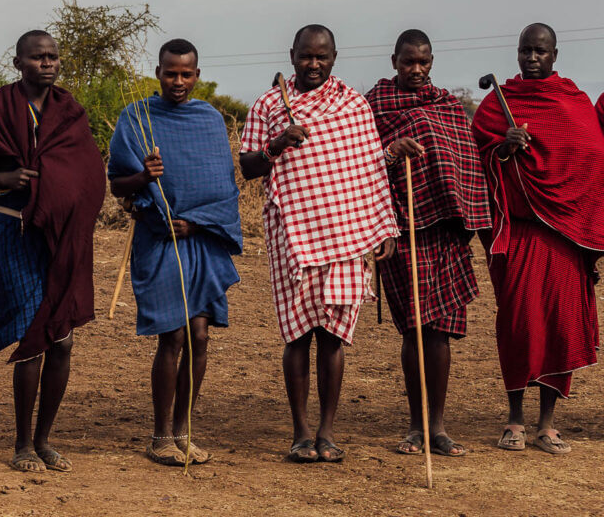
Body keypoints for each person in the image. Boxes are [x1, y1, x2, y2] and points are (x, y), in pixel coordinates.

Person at [239, 25, 398, 463]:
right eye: (306, 56)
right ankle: (300, 431)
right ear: (292, 56)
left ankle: (327, 432)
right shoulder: (270, 104)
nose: (314, 64)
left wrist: (381, 227)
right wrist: (277, 144)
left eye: (322, 57)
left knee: (332, 337)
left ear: (334, 56)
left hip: (346, 235)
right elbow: (249, 167)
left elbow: (370, 170)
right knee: (297, 335)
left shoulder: (353, 105)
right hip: (292, 235)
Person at [0, 30, 105, 473]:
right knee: (33, 336)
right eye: (37, 57)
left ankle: (44, 440)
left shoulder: (71, 113)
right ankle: (22, 444)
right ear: (18, 63)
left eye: (53, 57)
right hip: (10, 233)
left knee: (62, 337)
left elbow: (88, 175)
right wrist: (3, 181)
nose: (47, 63)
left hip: (62, 240)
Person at [108, 38, 242, 467]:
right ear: (158, 73)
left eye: (186, 74)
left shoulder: (209, 120)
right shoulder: (137, 117)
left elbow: (222, 187)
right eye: (171, 73)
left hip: (202, 239)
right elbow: (116, 185)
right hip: (160, 238)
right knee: (174, 335)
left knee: (200, 335)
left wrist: (198, 222)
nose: (178, 81)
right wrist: (143, 177)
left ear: (198, 75)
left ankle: (185, 430)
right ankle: (160, 435)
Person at [472, 23, 604, 455]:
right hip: (519, 233)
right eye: (525, 51)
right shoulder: (499, 103)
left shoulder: (574, 101)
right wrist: (504, 147)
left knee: (559, 326)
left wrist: (586, 231)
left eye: (540, 51)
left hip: (565, 237)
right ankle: (514, 419)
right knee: (518, 325)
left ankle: (547, 424)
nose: (532, 58)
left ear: (554, 54)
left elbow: (591, 156)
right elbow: (475, 158)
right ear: (516, 53)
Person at [365, 29, 492, 457]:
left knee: (439, 333)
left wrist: (468, 214)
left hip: (447, 232)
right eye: (407, 62)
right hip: (403, 229)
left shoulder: (449, 106)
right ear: (394, 61)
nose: (415, 70)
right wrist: (389, 149)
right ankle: (416, 426)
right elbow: (358, 161)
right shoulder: (373, 106)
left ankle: (437, 427)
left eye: (422, 62)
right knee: (416, 329)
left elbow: (468, 160)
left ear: (432, 61)